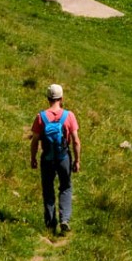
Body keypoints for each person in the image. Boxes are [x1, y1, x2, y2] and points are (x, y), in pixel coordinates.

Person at [29, 83, 81, 234]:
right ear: (61, 98)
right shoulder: (69, 116)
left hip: (47, 158)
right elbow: (76, 141)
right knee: (65, 186)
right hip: (63, 157)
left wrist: (33, 158)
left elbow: (34, 140)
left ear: (48, 98)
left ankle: (50, 222)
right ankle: (64, 219)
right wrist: (77, 160)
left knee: (48, 189)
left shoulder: (41, 117)